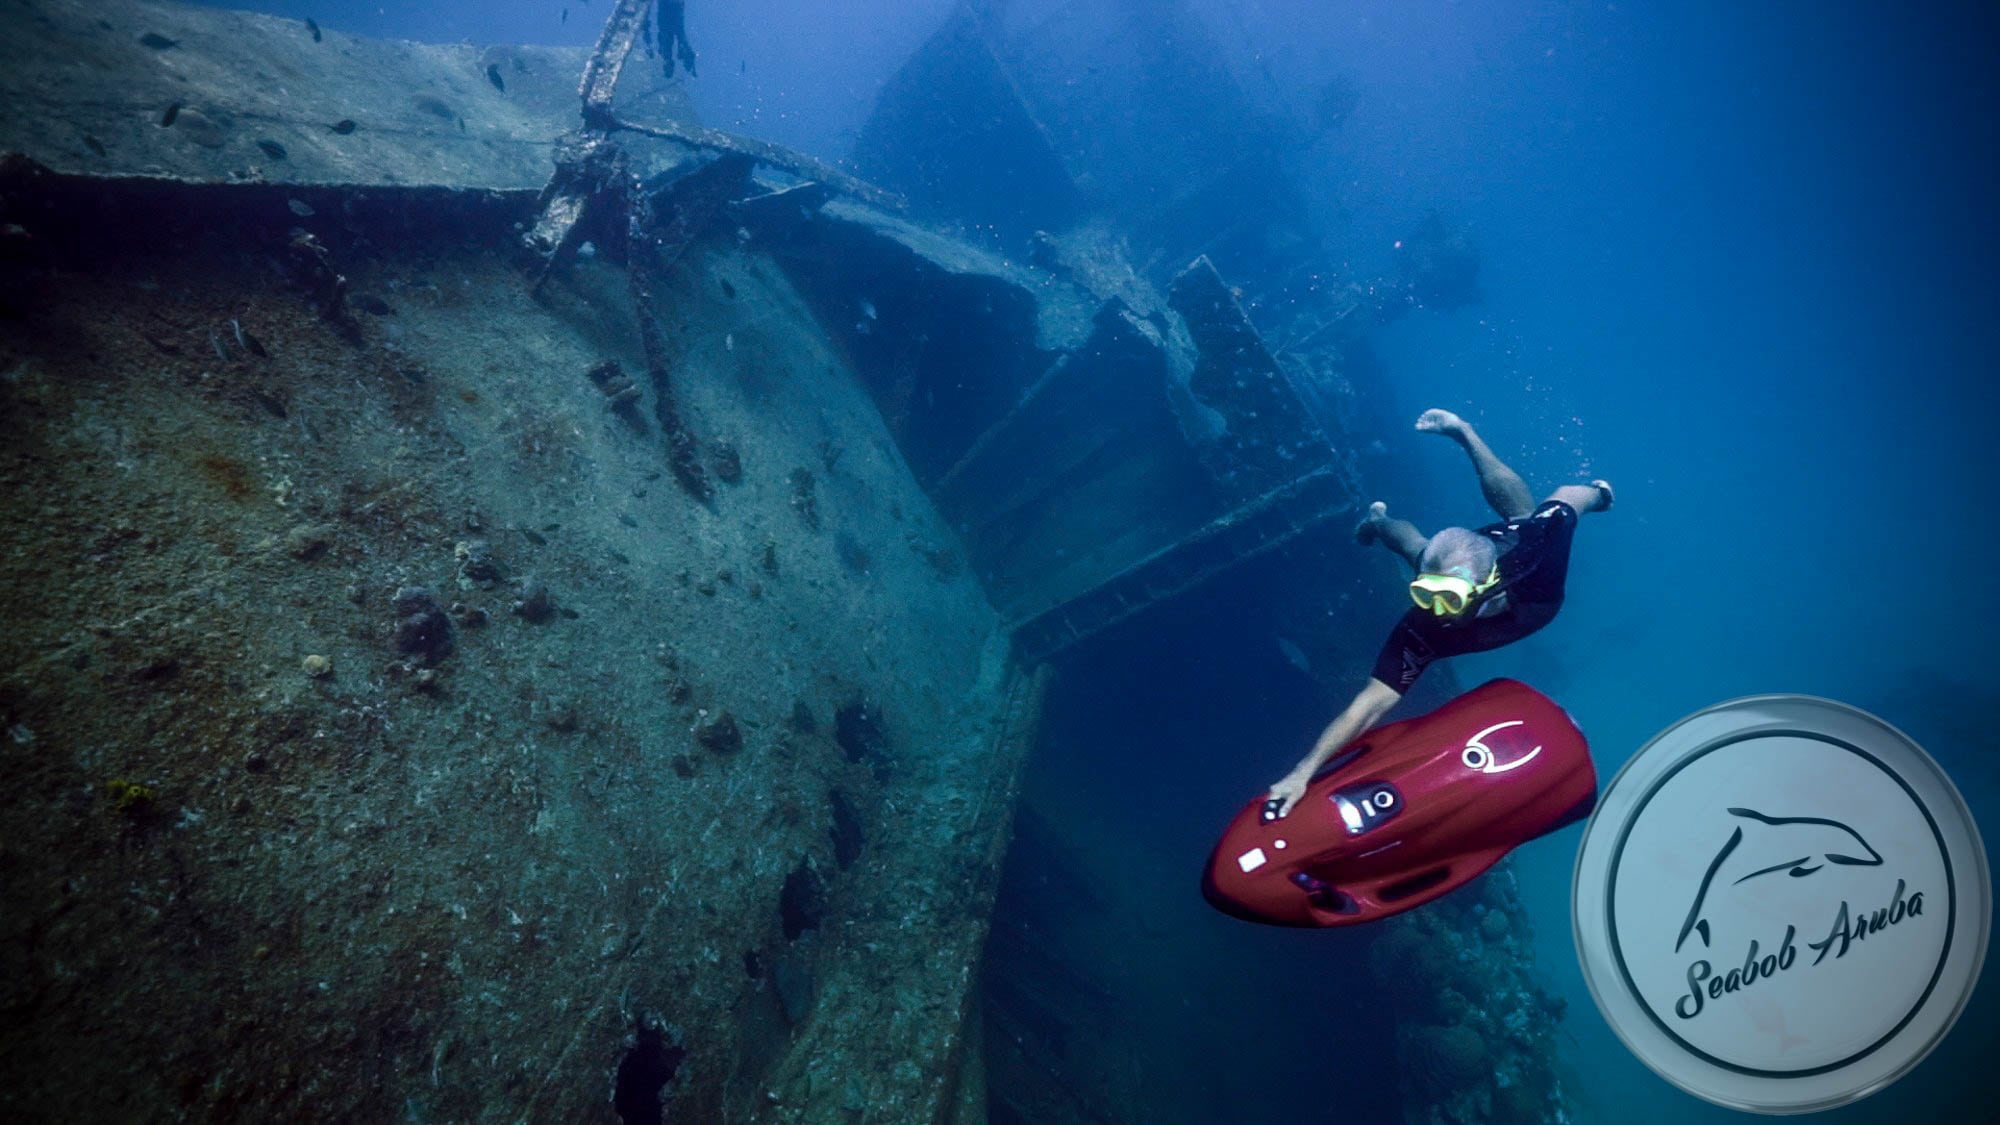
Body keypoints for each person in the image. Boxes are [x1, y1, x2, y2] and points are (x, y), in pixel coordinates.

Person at [1263, 408, 1614, 820]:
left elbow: (1569, 495)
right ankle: (1377, 521)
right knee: (1413, 546)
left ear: (1487, 590)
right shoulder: (1426, 618)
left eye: (1447, 598)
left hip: (1534, 602)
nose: (1435, 612)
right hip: (1463, 556)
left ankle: (1464, 432)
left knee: (1530, 512)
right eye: (1424, 593)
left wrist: (1597, 495)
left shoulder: (1536, 553)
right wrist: (1303, 771)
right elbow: (1368, 705)